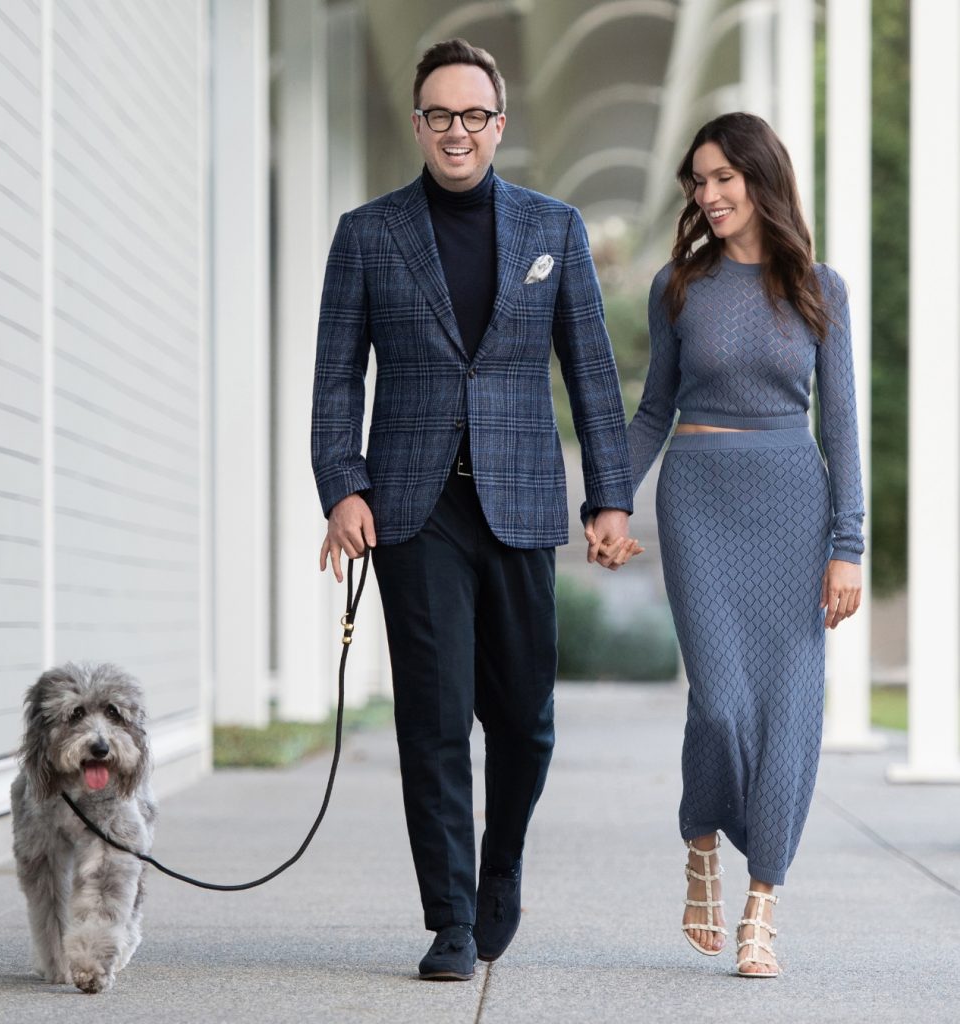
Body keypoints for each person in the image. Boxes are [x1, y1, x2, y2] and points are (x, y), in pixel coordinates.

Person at [311, 38, 642, 981]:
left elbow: (590, 373)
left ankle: (502, 871)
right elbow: (337, 377)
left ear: (499, 125)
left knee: (525, 722)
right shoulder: (367, 234)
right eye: (438, 115)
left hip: (521, 504)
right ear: (417, 124)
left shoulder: (554, 229)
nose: (456, 131)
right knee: (434, 719)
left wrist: (608, 499)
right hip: (412, 512)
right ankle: (451, 918)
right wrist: (342, 485)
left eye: (473, 116)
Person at [625, 112, 864, 978]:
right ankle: (699, 837)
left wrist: (849, 545)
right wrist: (609, 501)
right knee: (722, 704)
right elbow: (654, 407)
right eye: (698, 180)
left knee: (791, 713)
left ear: (761, 180)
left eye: (723, 177)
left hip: (794, 508)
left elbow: (838, 427)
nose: (708, 193)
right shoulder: (677, 286)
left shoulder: (818, 289)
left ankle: (762, 902)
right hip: (699, 502)